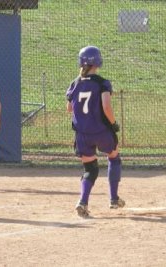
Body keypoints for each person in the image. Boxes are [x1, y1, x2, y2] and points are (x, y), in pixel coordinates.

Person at [66, 46, 125, 218]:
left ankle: (82, 202)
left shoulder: (75, 83)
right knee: (114, 156)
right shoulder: (102, 82)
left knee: (90, 169)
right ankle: (114, 198)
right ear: (97, 62)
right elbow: (106, 106)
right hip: (101, 131)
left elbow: (69, 108)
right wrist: (113, 123)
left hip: (82, 134)